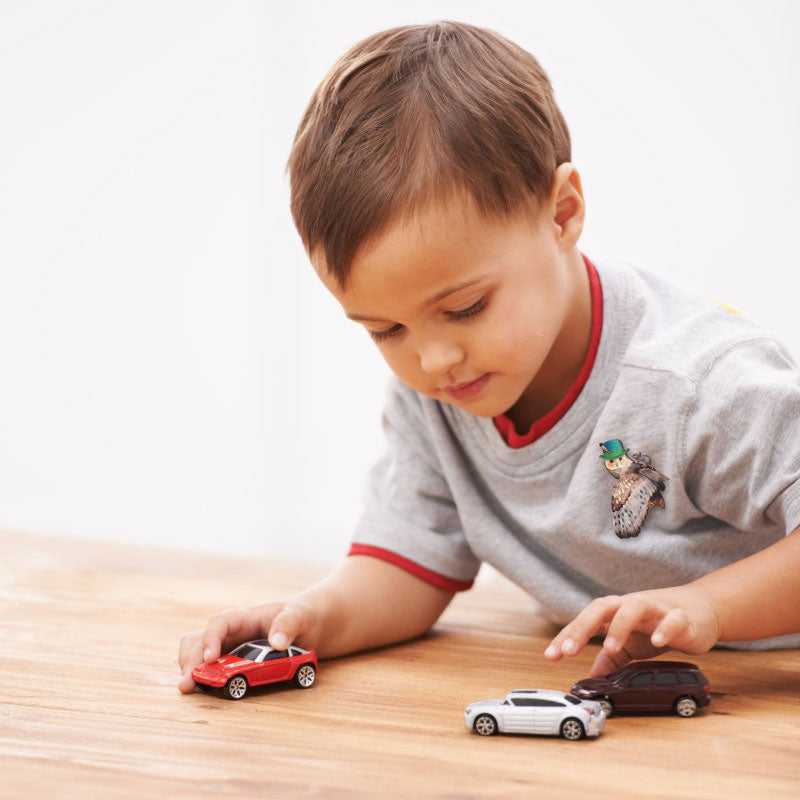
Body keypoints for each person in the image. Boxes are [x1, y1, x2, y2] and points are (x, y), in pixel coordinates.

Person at [178, 20, 800, 693]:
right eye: (385, 330)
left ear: (561, 214)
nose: (434, 360)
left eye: (466, 308)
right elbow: (408, 563)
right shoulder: (439, 394)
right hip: (634, 694)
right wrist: (310, 619)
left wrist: (706, 604)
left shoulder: (695, 381)